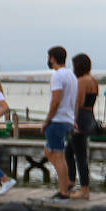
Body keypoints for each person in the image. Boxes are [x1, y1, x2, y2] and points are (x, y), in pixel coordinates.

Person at [43, 45, 78, 199]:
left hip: (57, 120)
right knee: (54, 153)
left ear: (52, 58)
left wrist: (47, 120)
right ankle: (67, 184)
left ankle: (63, 191)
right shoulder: (71, 75)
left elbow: (56, 100)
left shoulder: (57, 75)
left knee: (57, 156)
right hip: (68, 119)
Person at [67, 53, 100, 200]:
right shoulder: (93, 79)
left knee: (80, 155)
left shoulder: (81, 81)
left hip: (80, 118)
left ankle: (85, 190)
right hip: (89, 115)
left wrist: (72, 121)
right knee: (69, 151)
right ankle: (71, 182)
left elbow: (78, 102)